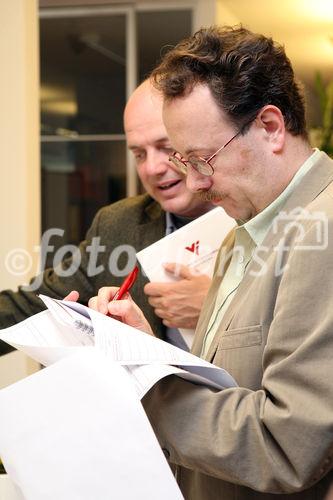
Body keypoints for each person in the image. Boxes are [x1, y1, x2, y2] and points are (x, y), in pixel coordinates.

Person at [89, 27, 333, 499]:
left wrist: (146, 388)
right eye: (185, 161)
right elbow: (230, 388)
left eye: (203, 158)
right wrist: (145, 350)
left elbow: (287, 446)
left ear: (270, 127)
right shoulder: (244, 231)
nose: (196, 184)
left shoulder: (321, 234)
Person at [0, 79, 214, 355]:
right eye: (139, 154)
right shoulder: (117, 224)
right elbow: (29, 306)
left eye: (166, 147)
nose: (152, 168)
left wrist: (215, 307)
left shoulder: (261, 216)